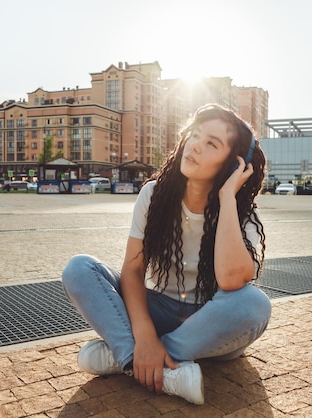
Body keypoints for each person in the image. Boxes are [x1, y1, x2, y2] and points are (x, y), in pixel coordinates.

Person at [62, 104, 272, 405]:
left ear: (232, 165)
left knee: (254, 304)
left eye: (211, 143)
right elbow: (133, 271)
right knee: (79, 269)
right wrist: (145, 335)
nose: (196, 145)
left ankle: (127, 359)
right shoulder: (154, 195)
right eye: (196, 135)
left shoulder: (243, 215)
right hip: (157, 310)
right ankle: (156, 364)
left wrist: (227, 199)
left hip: (210, 324)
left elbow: (229, 280)